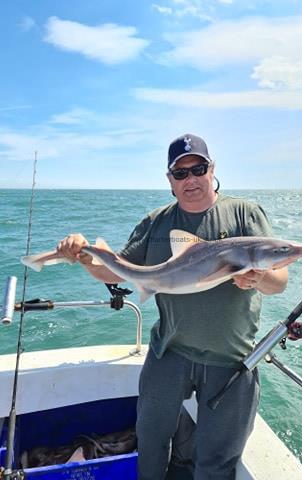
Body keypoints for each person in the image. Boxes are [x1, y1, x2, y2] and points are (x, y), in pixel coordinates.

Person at [57, 133, 288, 480]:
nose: (190, 179)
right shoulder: (156, 222)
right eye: (180, 173)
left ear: (212, 169)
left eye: (198, 169)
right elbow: (115, 269)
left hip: (230, 357)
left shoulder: (243, 213)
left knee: (217, 461)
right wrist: (85, 255)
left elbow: (279, 279)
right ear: (169, 180)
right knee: (150, 443)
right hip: (169, 352)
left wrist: (258, 279)